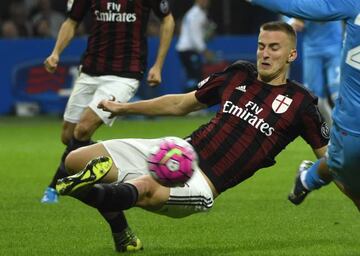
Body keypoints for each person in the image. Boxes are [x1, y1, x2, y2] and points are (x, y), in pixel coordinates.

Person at [54, 21, 329, 252]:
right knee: (75, 160)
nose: (265, 54)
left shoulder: (301, 103)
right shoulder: (239, 74)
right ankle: (120, 229)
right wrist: (124, 107)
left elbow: (330, 159)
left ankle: (94, 190)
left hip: (202, 182)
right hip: (177, 150)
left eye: (274, 48)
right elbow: (180, 104)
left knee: (146, 187)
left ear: (291, 55)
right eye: (261, 46)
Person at [40, 0, 175, 203]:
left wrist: (158, 65)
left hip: (125, 73)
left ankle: (54, 188)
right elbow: (71, 21)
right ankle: (109, 160)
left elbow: (168, 19)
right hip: (90, 70)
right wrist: (56, 52)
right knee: (69, 137)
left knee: (83, 129)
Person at [246, 0, 360, 210]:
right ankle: (316, 165)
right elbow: (299, 8)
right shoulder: (352, 4)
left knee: (339, 161)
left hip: (333, 50)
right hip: (352, 123)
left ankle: (309, 176)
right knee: (342, 164)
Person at [287, 18, 343, 127]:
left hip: (334, 48)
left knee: (338, 95)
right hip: (311, 51)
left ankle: (349, 130)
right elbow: (290, 22)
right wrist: (293, 23)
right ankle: (332, 133)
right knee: (316, 100)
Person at [176, 0, 216, 92]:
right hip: (188, 50)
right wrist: (205, 52)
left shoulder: (200, 13)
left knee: (195, 77)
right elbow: (195, 36)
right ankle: (187, 103)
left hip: (189, 50)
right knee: (195, 78)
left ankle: (189, 103)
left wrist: (209, 32)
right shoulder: (195, 14)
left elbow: (203, 34)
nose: (206, 2)